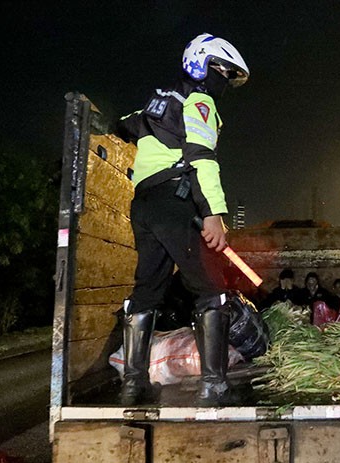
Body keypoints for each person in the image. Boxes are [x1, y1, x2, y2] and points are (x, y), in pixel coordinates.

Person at [114, 33, 250, 406]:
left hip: (144, 205)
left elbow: (124, 124)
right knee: (211, 290)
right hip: (176, 201)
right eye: (223, 71)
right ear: (202, 64)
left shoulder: (159, 101)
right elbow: (202, 157)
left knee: (146, 292)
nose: (225, 80)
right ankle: (214, 386)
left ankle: (133, 385)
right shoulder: (199, 101)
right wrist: (213, 213)